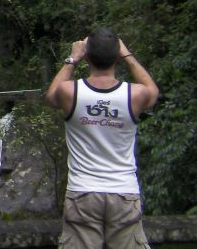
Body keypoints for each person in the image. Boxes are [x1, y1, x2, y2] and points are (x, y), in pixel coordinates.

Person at [45, 26, 159, 249]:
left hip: (83, 192)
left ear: (86, 56)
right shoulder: (134, 95)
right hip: (124, 192)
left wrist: (72, 59)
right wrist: (127, 55)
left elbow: (51, 95)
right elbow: (153, 91)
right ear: (117, 55)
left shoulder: (70, 92)